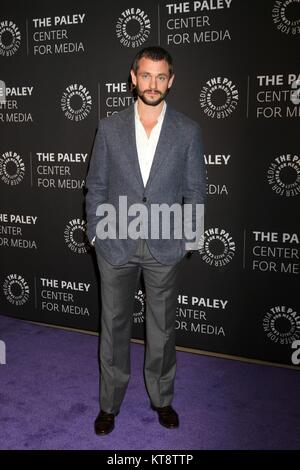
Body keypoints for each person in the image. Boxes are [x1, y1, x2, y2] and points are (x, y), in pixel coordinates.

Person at [85, 46, 206, 435]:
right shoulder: (109, 127)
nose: (152, 84)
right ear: (133, 77)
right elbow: (96, 187)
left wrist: (189, 240)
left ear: (170, 81)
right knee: (114, 325)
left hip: (164, 245)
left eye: (160, 76)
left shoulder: (188, 130)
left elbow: (195, 191)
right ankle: (109, 404)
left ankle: (162, 398)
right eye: (146, 75)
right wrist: (97, 234)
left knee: (162, 329)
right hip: (115, 243)